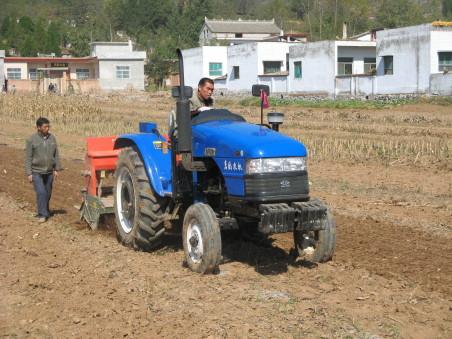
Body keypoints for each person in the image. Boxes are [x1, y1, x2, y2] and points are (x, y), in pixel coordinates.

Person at [25, 117, 62, 223]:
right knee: (41, 192)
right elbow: (28, 157)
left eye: (48, 126)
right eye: (45, 126)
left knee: (48, 193)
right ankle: (43, 214)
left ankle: (44, 210)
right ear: (38, 128)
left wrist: (56, 169)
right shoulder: (31, 140)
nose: (47, 128)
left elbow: (56, 154)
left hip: (49, 171)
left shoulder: (52, 138)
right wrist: (29, 173)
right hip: (36, 171)